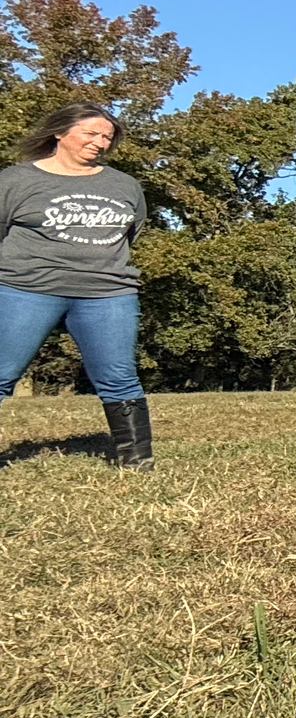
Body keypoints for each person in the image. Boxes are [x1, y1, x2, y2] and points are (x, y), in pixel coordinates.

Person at [0, 103, 154, 468]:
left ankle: (136, 461)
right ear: (60, 132)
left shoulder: (123, 185)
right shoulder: (16, 180)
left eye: (107, 137)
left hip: (108, 293)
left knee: (119, 377)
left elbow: (131, 233)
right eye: (91, 133)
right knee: (2, 373)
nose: (100, 142)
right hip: (26, 289)